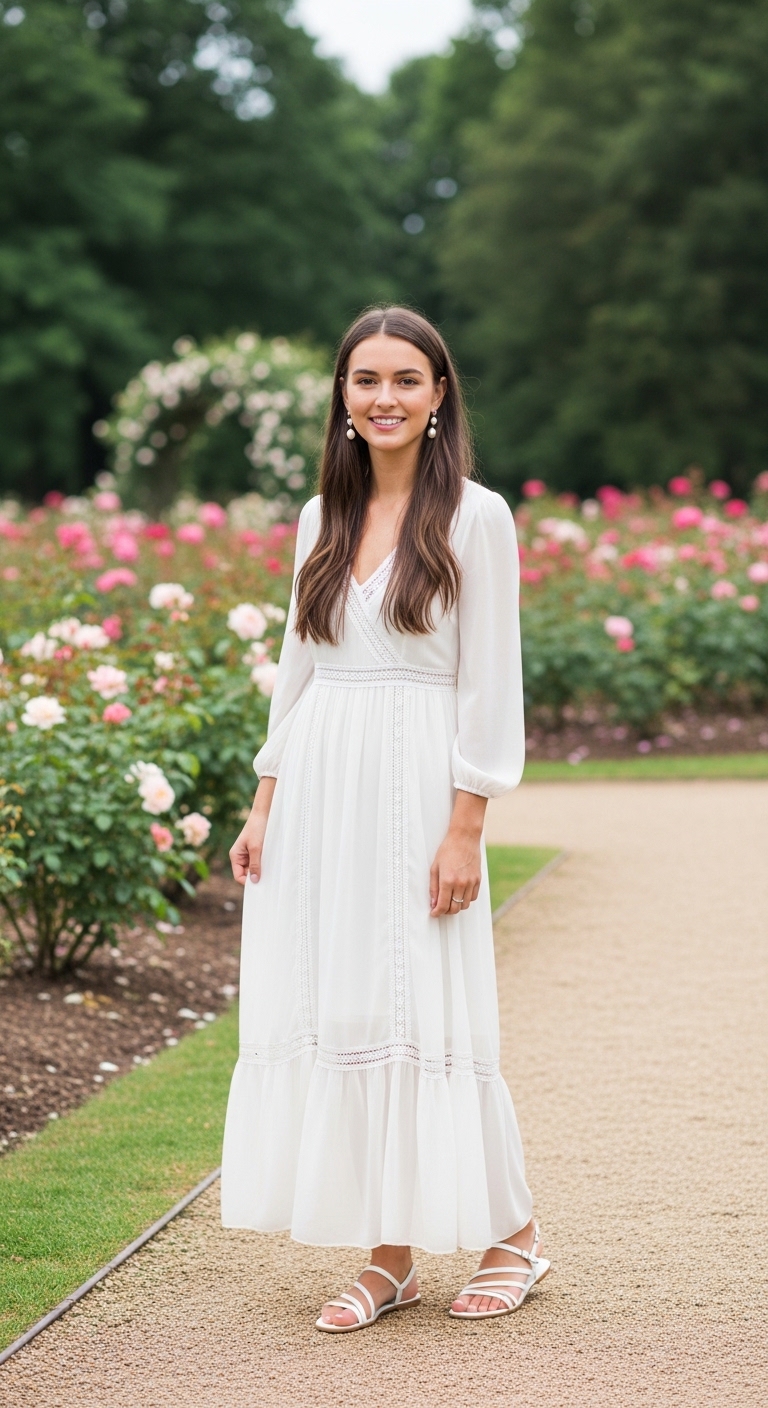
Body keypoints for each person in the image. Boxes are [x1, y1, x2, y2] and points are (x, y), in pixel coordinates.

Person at [222, 306, 549, 1331]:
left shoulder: (476, 517)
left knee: (430, 1009)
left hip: (418, 786)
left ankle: (515, 1237)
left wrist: (467, 824)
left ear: (440, 393)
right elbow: (299, 670)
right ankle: (391, 1255)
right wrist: (265, 797)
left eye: (407, 379)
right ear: (344, 398)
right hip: (322, 792)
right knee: (350, 1009)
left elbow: (491, 685)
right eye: (366, 380)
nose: (385, 397)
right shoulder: (324, 515)